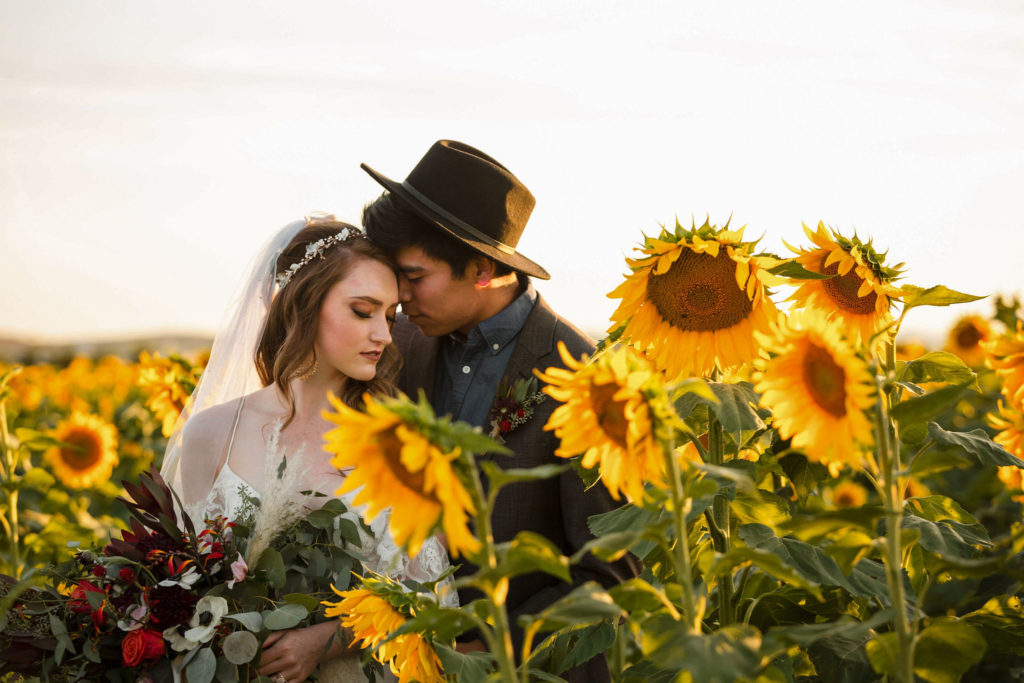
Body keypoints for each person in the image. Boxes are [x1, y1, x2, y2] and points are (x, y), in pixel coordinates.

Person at [360, 140, 641, 682]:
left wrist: (485, 644)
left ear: (484, 269)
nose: (400, 294)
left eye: (415, 276)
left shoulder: (580, 375)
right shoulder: (393, 341)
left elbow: (612, 568)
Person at [160, 216, 454, 683]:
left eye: (390, 316)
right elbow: (179, 587)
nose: (383, 334)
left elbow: (431, 596)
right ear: (301, 306)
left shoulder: (401, 442)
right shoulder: (212, 432)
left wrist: (326, 641)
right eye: (363, 311)